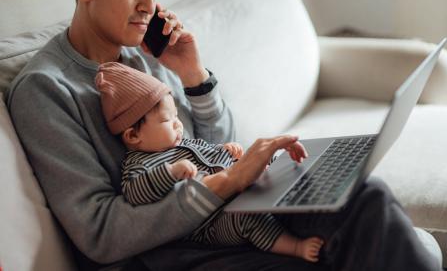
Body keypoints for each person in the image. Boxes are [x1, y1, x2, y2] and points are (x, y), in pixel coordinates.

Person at [6, 0, 441, 270]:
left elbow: (211, 147)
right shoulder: (45, 89)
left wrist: (194, 77)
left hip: (227, 209)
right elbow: (100, 233)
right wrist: (226, 183)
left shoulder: (145, 55)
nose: (149, 7)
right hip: (170, 252)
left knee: (365, 195)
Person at [95, 61, 325, 262]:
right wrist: (171, 173)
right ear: (133, 136)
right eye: (167, 119)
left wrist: (226, 150)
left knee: (274, 170)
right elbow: (136, 193)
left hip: (237, 194)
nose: (178, 124)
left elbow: (209, 152)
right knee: (248, 220)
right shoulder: (138, 164)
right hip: (210, 225)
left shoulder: (184, 144)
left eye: (176, 116)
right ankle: (295, 247)